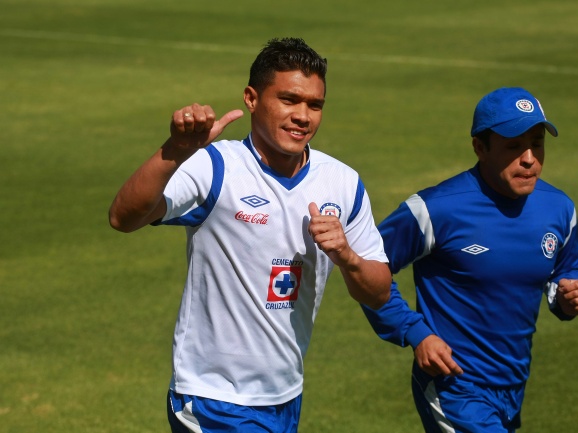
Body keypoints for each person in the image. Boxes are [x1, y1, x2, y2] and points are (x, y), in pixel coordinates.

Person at [108, 37, 391, 433]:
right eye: (289, 100)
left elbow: (379, 292)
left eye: (315, 105)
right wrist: (175, 150)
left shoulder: (342, 183)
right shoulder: (216, 166)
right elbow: (123, 217)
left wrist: (348, 257)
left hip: (284, 395)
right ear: (252, 99)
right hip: (212, 398)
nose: (303, 116)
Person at [362, 87, 578, 432]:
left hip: (512, 384)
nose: (529, 158)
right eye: (514, 146)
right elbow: (366, 268)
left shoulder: (559, 208)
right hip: (453, 386)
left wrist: (565, 298)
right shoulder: (435, 209)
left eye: (537, 143)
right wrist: (416, 332)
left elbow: (566, 269)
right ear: (480, 147)